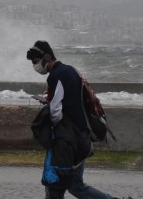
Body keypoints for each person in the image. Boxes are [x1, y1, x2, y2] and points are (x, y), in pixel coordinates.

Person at [27, 40, 130, 199]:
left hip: (68, 140)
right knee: (74, 185)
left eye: (36, 62)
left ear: (46, 57)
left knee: (55, 185)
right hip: (81, 136)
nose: (36, 66)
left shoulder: (56, 75)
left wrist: (52, 123)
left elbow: (56, 109)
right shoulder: (71, 70)